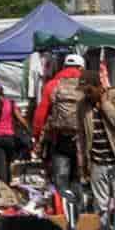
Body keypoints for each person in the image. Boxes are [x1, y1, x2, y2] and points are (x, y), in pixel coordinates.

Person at [76, 70, 115, 230]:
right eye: (84, 92)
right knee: (100, 204)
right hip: (97, 161)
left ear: (98, 87)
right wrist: (83, 164)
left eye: (89, 91)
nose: (86, 95)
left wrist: (106, 106)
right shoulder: (82, 106)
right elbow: (81, 135)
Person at [33, 54, 85, 194]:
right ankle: (79, 209)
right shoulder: (86, 84)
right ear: (81, 67)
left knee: (61, 177)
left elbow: (40, 115)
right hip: (83, 139)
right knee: (78, 177)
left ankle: (63, 208)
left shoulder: (52, 85)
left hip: (59, 137)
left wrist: (38, 136)